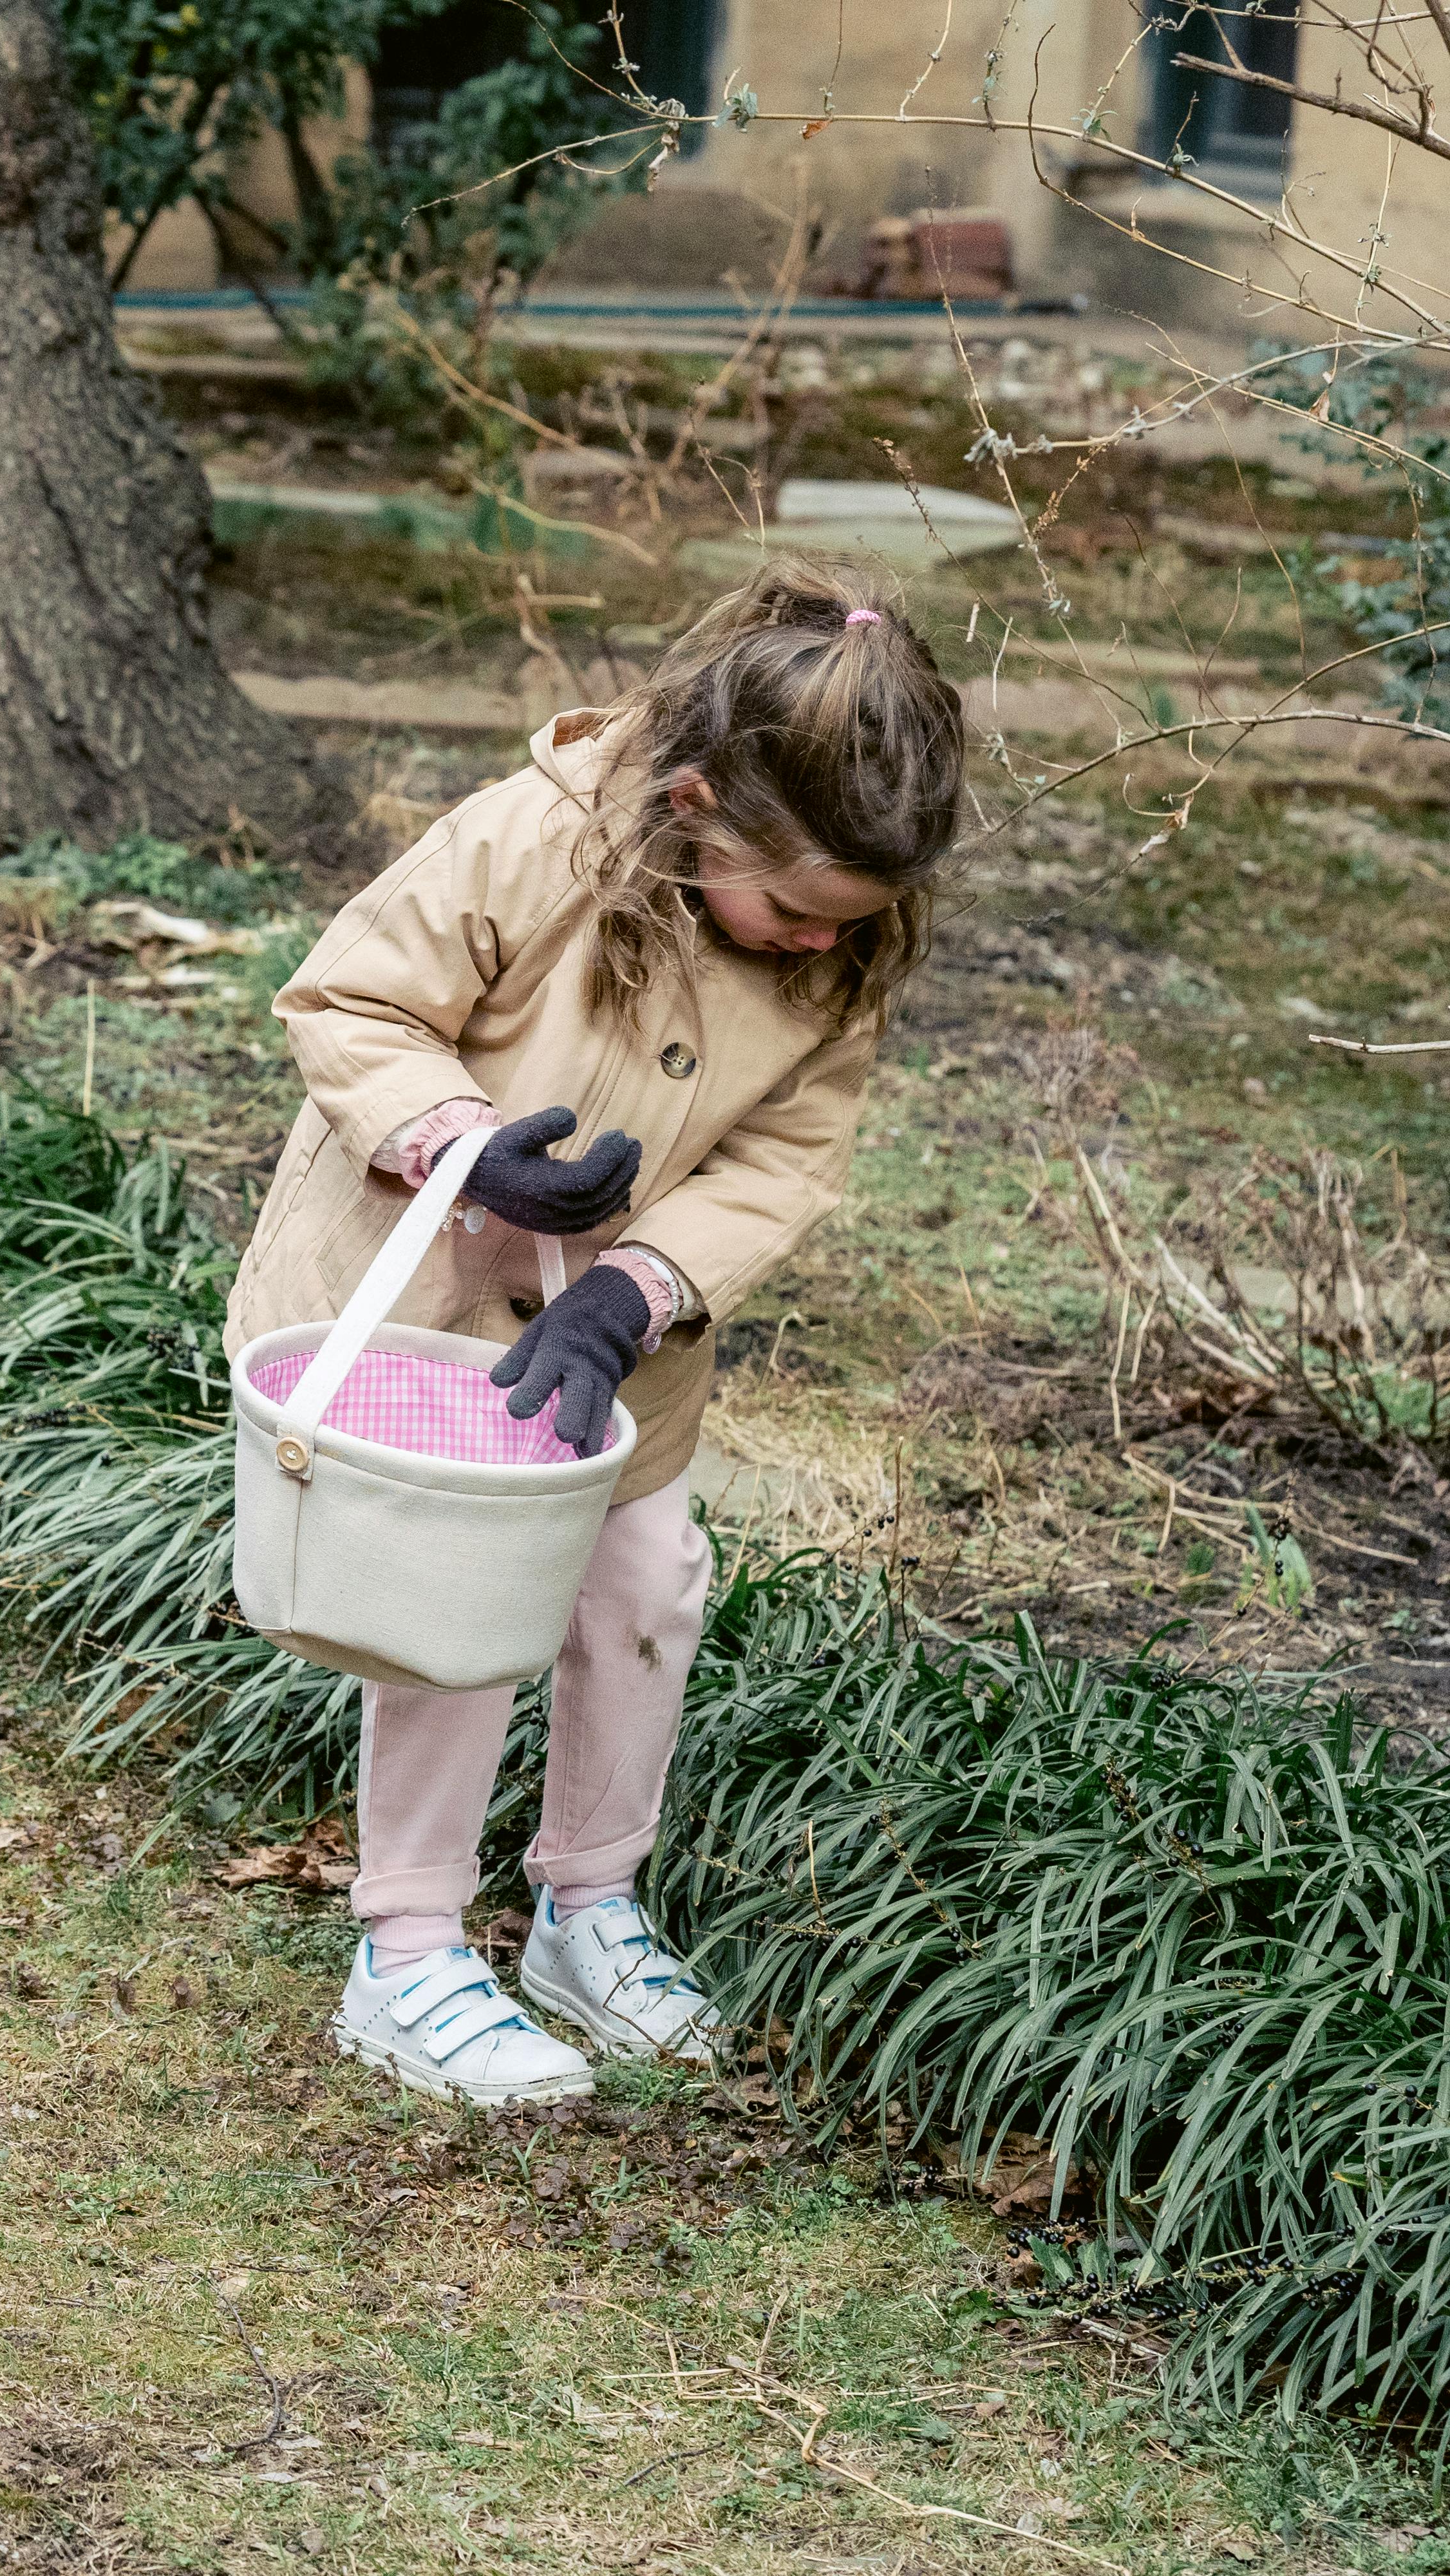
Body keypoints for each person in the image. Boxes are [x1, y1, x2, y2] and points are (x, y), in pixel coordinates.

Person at [231, 558, 964, 2108]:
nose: (825, 946)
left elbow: (786, 1160)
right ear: (695, 803)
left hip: (622, 1338)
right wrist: (455, 1139)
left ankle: (588, 1905)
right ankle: (410, 1945)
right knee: (458, 1610)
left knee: (649, 1583)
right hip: (437, 1300)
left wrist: (643, 1289)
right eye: (801, 910)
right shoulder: (539, 837)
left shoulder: (836, 951)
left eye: (857, 919)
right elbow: (350, 1001)